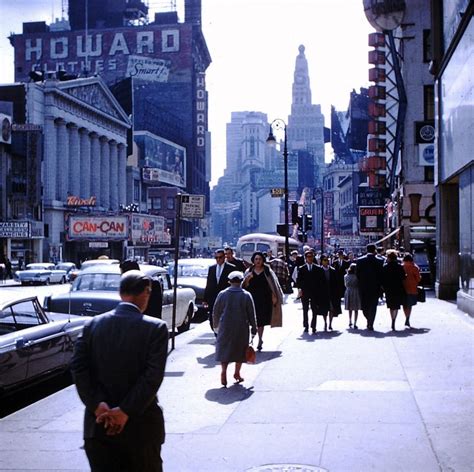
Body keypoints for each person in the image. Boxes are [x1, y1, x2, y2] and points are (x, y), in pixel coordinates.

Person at [71, 270, 169, 472]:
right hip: (141, 428)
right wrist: (125, 411)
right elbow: (152, 377)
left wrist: (97, 405)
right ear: (145, 292)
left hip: (99, 426)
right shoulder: (156, 328)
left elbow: (78, 368)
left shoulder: (91, 325)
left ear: (120, 292)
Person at [212, 271, 257, 387]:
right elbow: (252, 314)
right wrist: (254, 328)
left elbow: (216, 311)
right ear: (241, 281)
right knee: (240, 349)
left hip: (225, 325)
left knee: (225, 348)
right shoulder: (246, 295)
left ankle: (224, 371)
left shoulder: (222, 294)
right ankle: (237, 373)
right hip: (241, 326)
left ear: (229, 281)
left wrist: (215, 325)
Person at [242, 251, 283, 351]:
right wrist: (247, 279)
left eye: (260, 259)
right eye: (256, 259)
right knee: (250, 320)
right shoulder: (249, 271)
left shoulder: (267, 271)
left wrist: (275, 296)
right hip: (251, 299)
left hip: (264, 299)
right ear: (253, 260)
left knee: (260, 321)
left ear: (263, 260)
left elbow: (274, 285)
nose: (258, 261)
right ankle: (251, 338)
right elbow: (243, 287)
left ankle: (260, 339)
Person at [204, 249, 236, 333]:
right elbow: (209, 283)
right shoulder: (212, 268)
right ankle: (216, 332)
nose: (218, 259)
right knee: (212, 317)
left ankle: (223, 334)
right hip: (213, 298)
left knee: (225, 317)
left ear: (224, 257)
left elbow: (233, 284)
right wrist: (205, 299)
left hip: (226, 297)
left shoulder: (231, 268)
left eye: (220, 257)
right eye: (216, 258)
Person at [356, 244, 384, 331]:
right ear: (374, 250)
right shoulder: (380, 261)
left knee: (364, 305)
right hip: (375, 287)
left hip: (363, 286)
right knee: (373, 305)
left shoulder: (360, 260)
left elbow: (357, 274)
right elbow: (381, 275)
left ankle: (369, 319)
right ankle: (370, 322)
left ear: (366, 249)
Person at [296, 250, 322, 333]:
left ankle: (313, 326)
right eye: (308, 257)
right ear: (305, 258)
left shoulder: (317, 268)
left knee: (314, 309)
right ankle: (306, 325)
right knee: (305, 309)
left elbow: (319, 281)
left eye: (311, 256)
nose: (310, 258)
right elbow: (298, 280)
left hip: (315, 292)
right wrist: (299, 289)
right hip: (305, 292)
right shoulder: (301, 268)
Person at [381, 249, 407, 331]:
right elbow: (404, 277)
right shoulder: (400, 267)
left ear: (388, 258)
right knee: (396, 305)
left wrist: (383, 287)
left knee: (391, 305)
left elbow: (382, 278)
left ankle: (392, 319)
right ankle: (394, 320)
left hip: (389, 288)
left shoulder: (385, 267)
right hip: (398, 288)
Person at [318, 254, 342, 330]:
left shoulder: (333, 270)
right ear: (321, 261)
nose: (326, 261)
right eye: (325, 260)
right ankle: (325, 322)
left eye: (327, 260)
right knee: (324, 310)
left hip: (332, 293)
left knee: (332, 309)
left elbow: (336, 283)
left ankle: (330, 323)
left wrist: (338, 293)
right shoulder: (319, 270)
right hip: (323, 293)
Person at [402, 253, 422, 327]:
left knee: (404, 304)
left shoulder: (402, 266)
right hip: (412, 288)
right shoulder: (415, 267)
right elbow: (418, 279)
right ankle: (408, 318)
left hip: (403, 288)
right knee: (409, 304)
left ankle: (406, 316)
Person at [344, 263, 361, 329]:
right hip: (356, 291)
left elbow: (345, 285)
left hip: (348, 291)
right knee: (356, 309)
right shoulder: (357, 276)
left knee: (350, 308)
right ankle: (355, 322)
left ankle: (350, 320)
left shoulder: (345, 276)